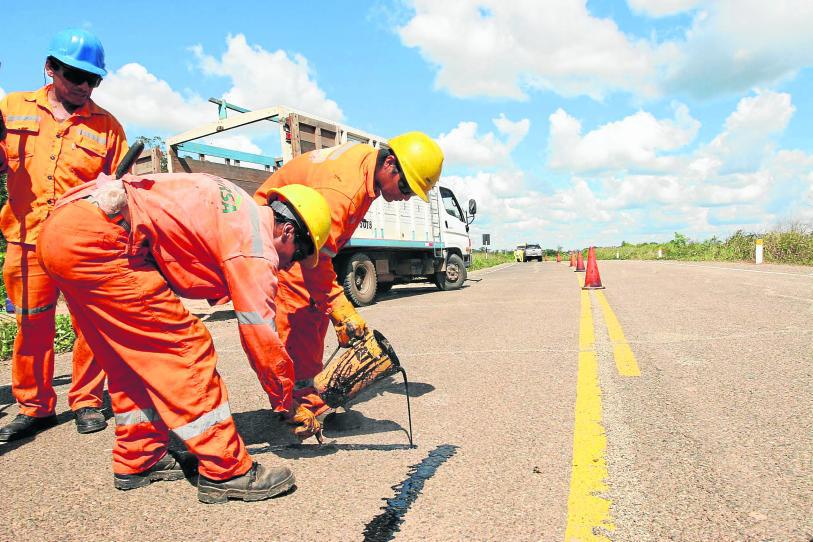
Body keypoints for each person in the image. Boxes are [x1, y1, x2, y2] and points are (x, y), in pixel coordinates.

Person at [37, 172, 331, 503]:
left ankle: (140, 457)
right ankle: (227, 470)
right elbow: (261, 337)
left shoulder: (234, 203)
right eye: (294, 257)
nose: (287, 266)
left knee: (129, 361)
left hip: (65, 229)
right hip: (102, 242)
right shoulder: (255, 245)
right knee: (187, 349)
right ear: (288, 231)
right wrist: (286, 398)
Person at [252, 132, 444, 422]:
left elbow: (324, 250)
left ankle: (304, 395)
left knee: (315, 312)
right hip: (282, 239)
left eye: (411, 193)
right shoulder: (344, 190)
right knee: (303, 315)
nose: (405, 197)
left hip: (297, 237)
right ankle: (297, 407)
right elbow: (313, 259)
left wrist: (334, 307)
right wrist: (342, 312)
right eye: (405, 187)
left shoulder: (365, 167)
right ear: (389, 163)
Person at [0, 28, 128, 441]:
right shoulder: (12, 109)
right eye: (76, 76)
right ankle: (34, 406)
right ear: (51, 68)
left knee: (89, 325)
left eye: (94, 80)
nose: (85, 86)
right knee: (32, 325)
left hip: (82, 245)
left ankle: (87, 400)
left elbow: (119, 192)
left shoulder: (108, 127)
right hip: (25, 239)